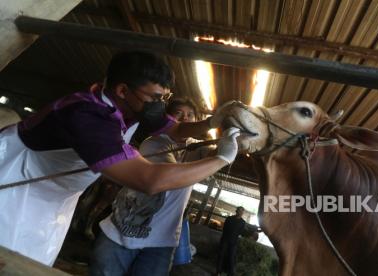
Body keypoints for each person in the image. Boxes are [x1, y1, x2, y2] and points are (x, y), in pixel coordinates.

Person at [0, 51, 239, 265]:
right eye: (156, 97)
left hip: (56, 195)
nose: (160, 105)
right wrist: (222, 158)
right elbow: (149, 180)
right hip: (16, 184)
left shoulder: (132, 105)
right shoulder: (87, 116)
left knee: (33, 261)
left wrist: (212, 122)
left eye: (165, 98)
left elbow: (176, 130)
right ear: (123, 90)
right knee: (10, 259)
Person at [90, 98, 208, 275]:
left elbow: (215, 151)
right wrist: (221, 159)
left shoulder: (197, 148)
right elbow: (166, 176)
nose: (185, 118)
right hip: (123, 232)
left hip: (161, 243)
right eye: (179, 114)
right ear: (168, 119)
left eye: (190, 115)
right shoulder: (155, 142)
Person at [216, 207, 247, 276]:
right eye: (239, 211)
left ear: (242, 213)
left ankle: (230, 273)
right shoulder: (229, 218)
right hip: (225, 240)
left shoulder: (243, 222)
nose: (240, 213)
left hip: (233, 242)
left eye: (242, 212)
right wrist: (223, 238)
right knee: (221, 255)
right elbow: (224, 229)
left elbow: (241, 232)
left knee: (231, 257)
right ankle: (218, 272)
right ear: (236, 211)